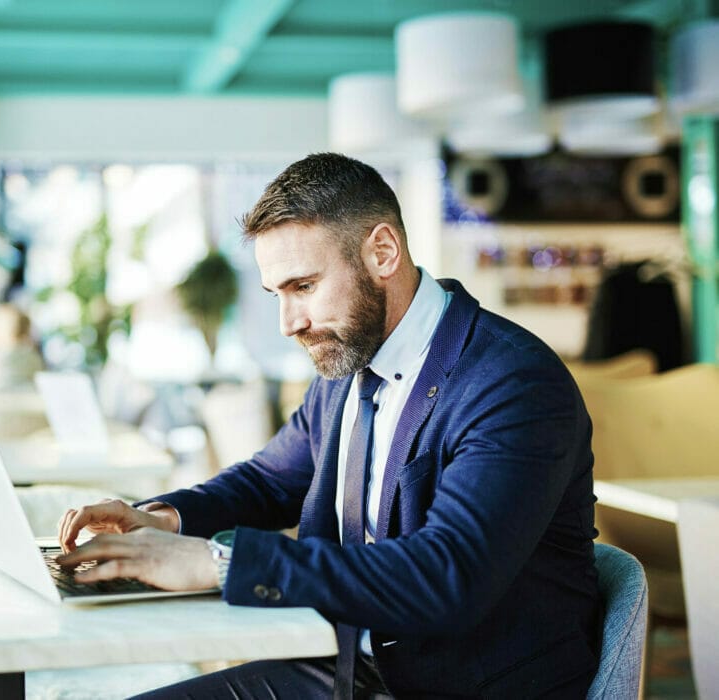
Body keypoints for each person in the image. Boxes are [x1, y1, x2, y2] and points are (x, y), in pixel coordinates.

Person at [56, 154, 601, 698]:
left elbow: (447, 575)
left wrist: (218, 562)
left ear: (382, 252)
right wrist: (160, 520)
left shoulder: (511, 381)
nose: (289, 323)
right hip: (347, 673)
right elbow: (269, 481)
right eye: (278, 294)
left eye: (303, 287)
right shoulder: (347, 360)